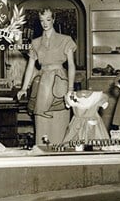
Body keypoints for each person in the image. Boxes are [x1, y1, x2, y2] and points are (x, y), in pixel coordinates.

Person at [16, 8, 76, 146]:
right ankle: (42, 151)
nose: (45, 23)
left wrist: (71, 89)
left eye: (48, 19)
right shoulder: (36, 43)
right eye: (42, 20)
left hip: (60, 82)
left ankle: (60, 152)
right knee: (41, 121)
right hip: (42, 84)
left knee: (59, 119)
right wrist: (24, 88)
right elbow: (30, 67)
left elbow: (71, 65)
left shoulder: (65, 40)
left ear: (53, 20)